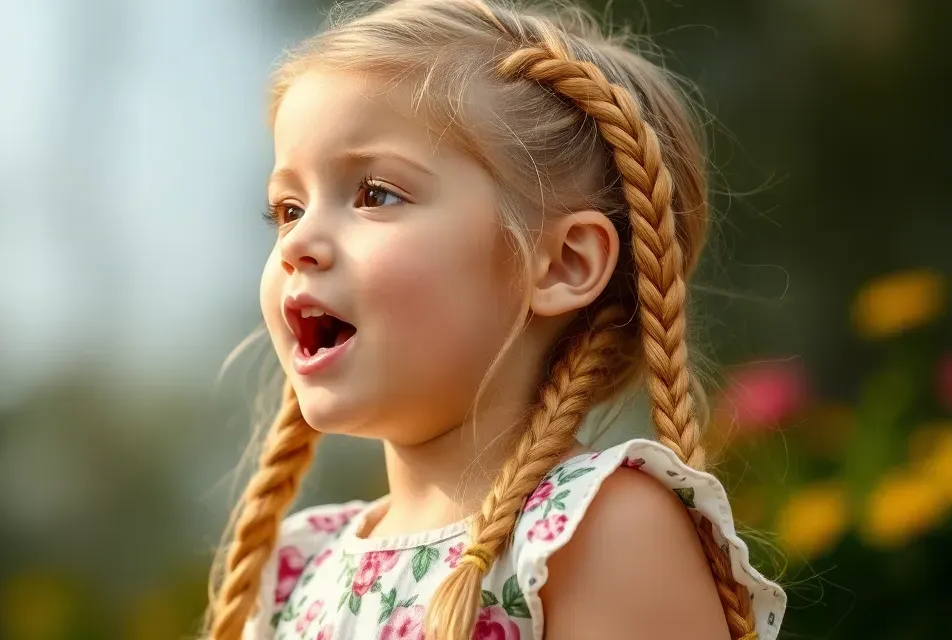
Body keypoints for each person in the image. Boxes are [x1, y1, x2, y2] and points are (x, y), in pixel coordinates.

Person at [203, 1, 787, 639]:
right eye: (286, 208)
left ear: (562, 263)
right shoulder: (300, 569)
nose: (296, 243)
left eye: (376, 194)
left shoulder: (595, 531)